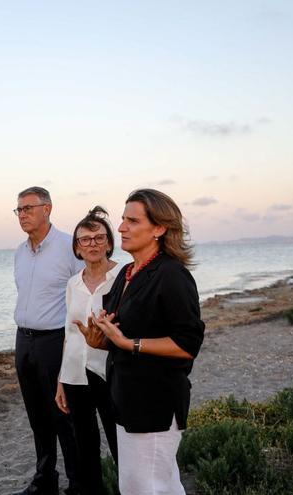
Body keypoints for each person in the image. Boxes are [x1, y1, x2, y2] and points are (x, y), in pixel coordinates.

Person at [78, 189, 205, 495]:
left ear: (159, 228)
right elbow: (122, 329)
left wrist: (128, 343)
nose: (121, 227)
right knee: (154, 485)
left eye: (132, 221)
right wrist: (103, 339)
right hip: (126, 399)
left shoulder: (172, 275)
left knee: (145, 487)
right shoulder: (128, 273)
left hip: (155, 404)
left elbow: (187, 344)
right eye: (122, 219)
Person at [12, 186, 84, 495]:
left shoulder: (70, 247)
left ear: (47, 209)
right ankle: (45, 479)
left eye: (28, 208)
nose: (23, 215)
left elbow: (84, 295)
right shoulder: (19, 252)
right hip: (23, 341)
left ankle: (76, 484)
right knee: (36, 416)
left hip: (55, 340)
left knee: (62, 416)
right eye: (19, 210)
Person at [55, 206, 121, 495]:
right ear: (77, 248)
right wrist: (60, 379)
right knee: (85, 450)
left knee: (122, 445)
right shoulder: (72, 283)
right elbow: (69, 333)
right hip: (74, 376)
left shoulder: (124, 276)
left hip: (109, 373)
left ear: (108, 242)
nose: (92, 244)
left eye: (98, 238)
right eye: (85, 239)